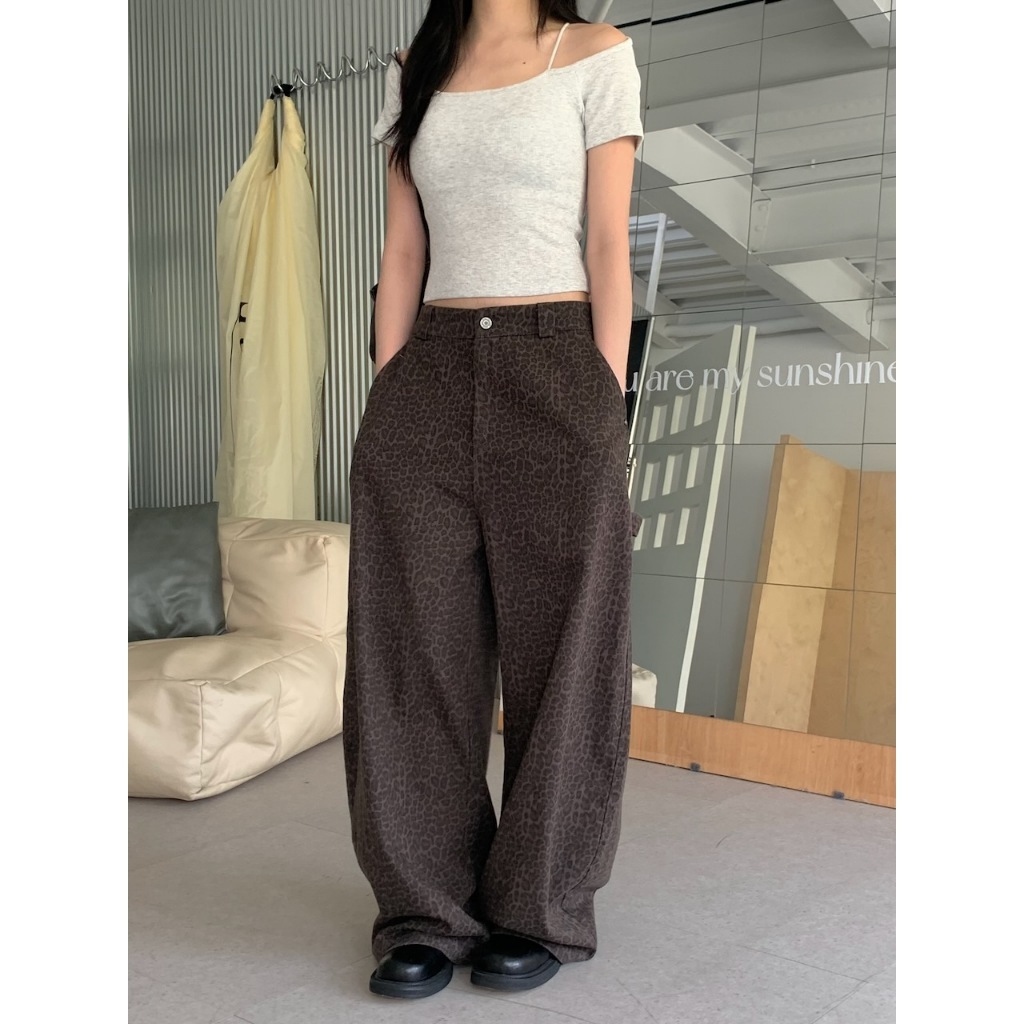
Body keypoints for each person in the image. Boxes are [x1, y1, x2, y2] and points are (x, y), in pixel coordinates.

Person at [344, 0, 644, 1000]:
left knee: (566, 652)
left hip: (557, 364)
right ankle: (425, 909)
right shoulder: (416, 66)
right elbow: (401, 252)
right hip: (426, 373)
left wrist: (605, 408)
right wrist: (389, 390)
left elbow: (608, 245)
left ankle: (537, 908)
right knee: (410, 650)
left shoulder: (595, 55)